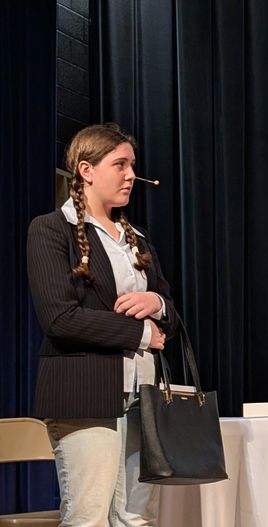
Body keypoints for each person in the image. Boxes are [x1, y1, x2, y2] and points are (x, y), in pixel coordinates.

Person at [26, 123, 179, 525]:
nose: (132, 175)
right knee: (89, 516)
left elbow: (172, 318)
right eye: (121, 164)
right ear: (86, 170)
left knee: (136, 518)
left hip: (143, 395)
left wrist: (157, 304)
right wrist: (141, 332)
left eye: (133, 165)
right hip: (84, 393)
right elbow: (60, 318)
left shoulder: (136, 239)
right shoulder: (50, 230)